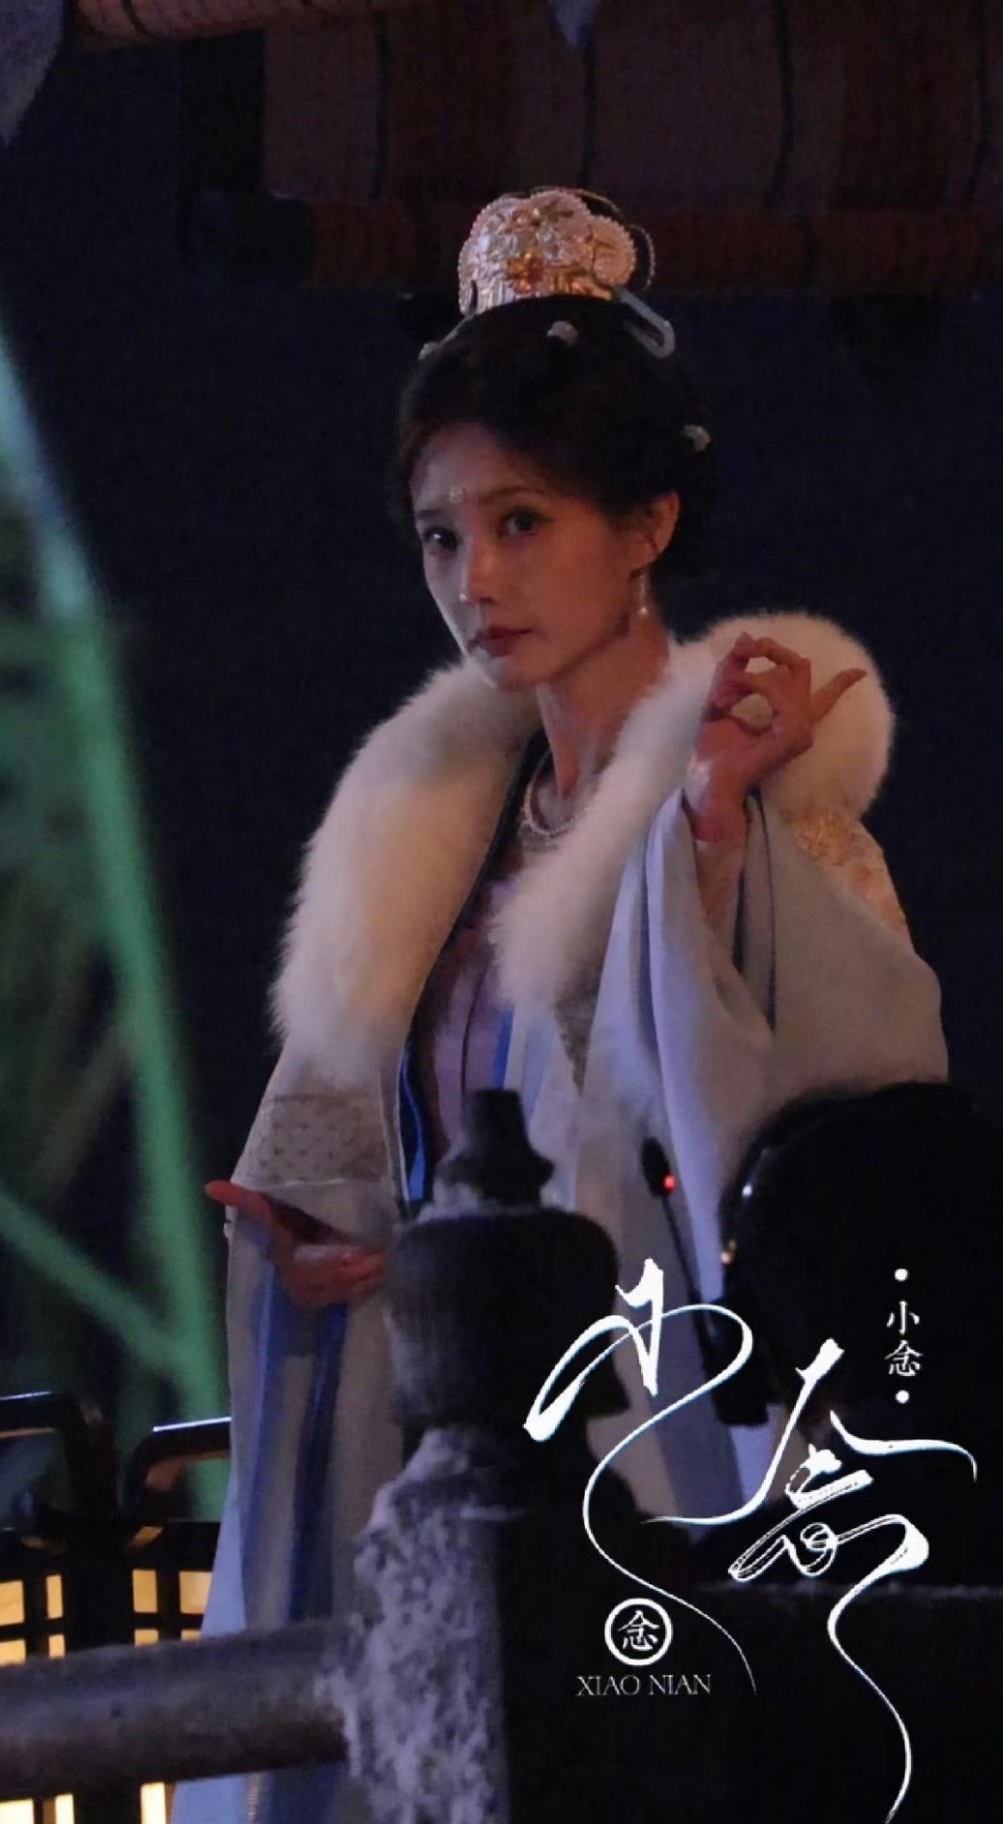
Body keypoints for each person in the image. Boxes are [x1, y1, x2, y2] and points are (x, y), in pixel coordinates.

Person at [172, 190, 947, 1824]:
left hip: (661, 1479)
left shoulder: (769, 818)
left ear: (649, 522)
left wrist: (711, 836)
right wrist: (363, 1257)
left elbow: (837, 1191)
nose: (476, 579)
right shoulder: (435, 843)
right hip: (464, 1474)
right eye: (442, 537)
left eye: (522, 522)